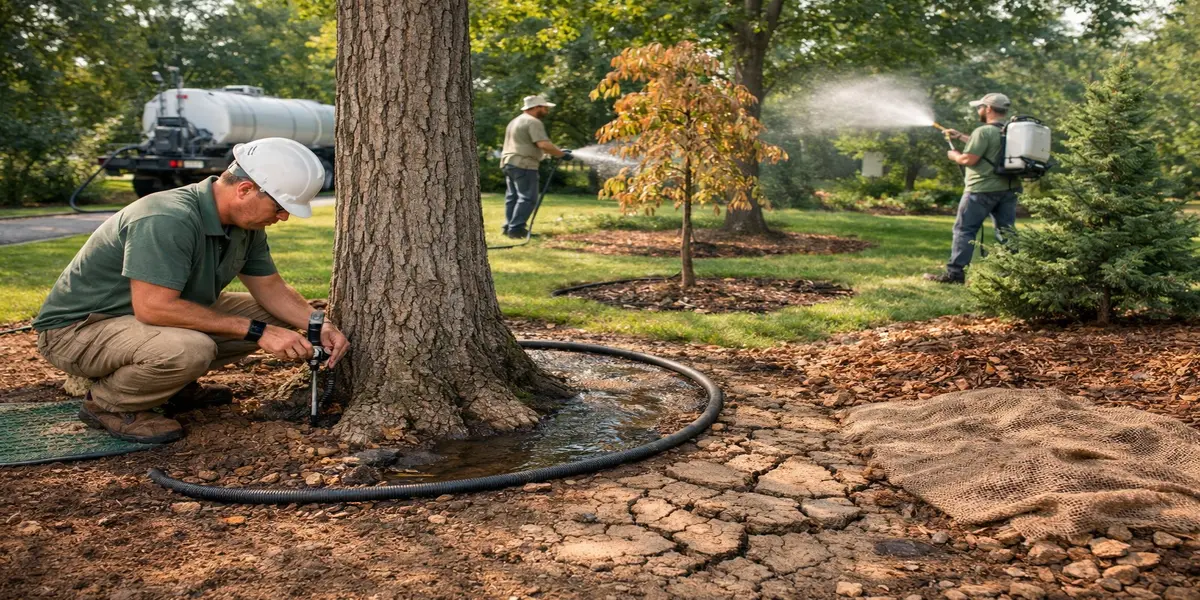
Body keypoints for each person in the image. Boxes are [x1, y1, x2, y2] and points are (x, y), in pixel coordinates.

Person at [32, 137, 350, 444]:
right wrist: (258, 332)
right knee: (190, 348)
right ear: (245, 189)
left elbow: (272, 290)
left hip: (143, 323)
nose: (284, 216)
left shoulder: (246, 226)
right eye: (281, 206)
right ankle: (108, 404)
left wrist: (317, 324)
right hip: (79, 330)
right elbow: (154, 308)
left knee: (274, 318)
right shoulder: (167, 217)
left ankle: (168, 386)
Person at [925, 93, 1019, 284]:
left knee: (964, 230)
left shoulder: (983, 132)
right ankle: (1015, 274)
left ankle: (955, 275)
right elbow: (992, 147)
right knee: (1007, 232)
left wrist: (954, 156)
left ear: (989, 109)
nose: (979, 111)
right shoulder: (1009, 131)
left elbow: (969, 159)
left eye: (980, 107)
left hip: (981, 189)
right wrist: (960, 136)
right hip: (1009, 189)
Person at [499, 95, 573, 238]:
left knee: (513, 197)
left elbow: (527, 145)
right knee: (527, 198)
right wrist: (561, 155)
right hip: (524, 164)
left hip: (510, 163)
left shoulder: (515, 121)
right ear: (537, 107)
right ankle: (516, 229)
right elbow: (543, 144)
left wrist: (557, 152)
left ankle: (508, 227)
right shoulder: (533, 122)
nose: (546, 110)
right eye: (545, 107)